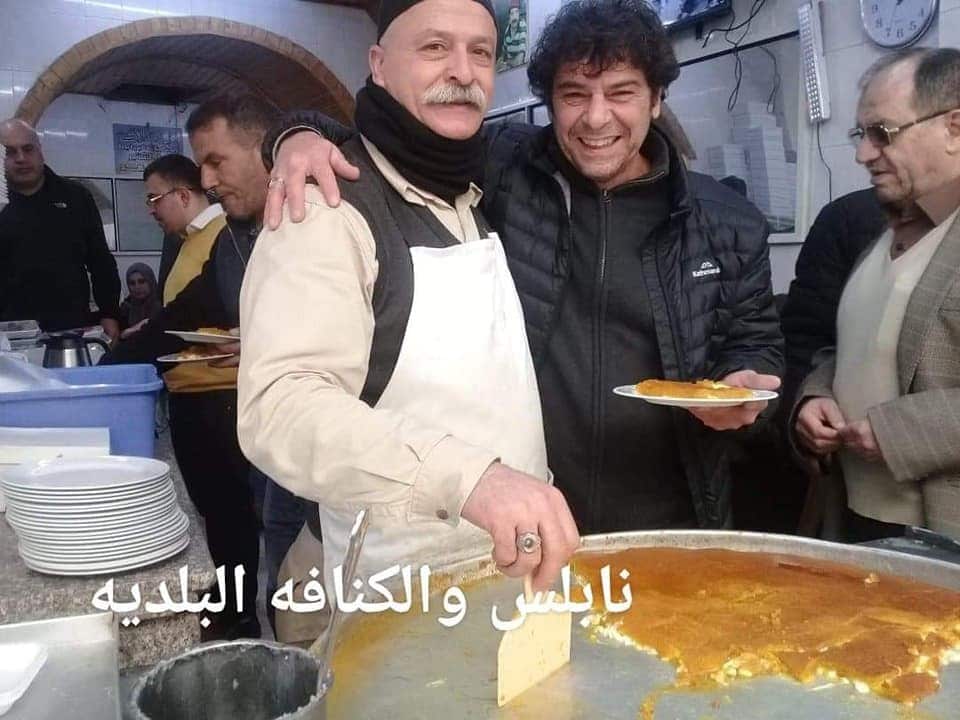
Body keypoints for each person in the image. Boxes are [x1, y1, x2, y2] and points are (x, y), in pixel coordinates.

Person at [262, 0, 783, 534]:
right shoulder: (507, 171)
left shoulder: (727, 222)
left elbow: (756, 341)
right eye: (574, 95)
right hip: (522, 514)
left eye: (621, 93)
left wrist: (746, 386)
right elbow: (395, 133)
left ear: (656, 101)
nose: (596, 117)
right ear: (550, 105)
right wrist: (296, 137)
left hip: (673, 515)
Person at [237, 0, 581, 616]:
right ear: (378, 64)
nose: (463, 69)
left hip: (512, 573)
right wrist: (471, 477)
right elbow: (280, 405)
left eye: (480, 51)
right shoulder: (327, 208)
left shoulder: (472, 196)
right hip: (398, 594)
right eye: (433, 48)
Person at [104, 96, 278, 639]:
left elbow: (218, 312)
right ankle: (234, 610)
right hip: (196, 394)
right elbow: (184, 313)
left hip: (222, 397)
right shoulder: (194, 243)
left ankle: (240, 617)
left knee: (239, 516)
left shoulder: (227, 234)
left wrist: (135, 344)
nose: (209, 180)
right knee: (224, 516)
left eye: (216, 164)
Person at [794, 48, 960, 543]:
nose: (863, 154)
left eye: (882, 133)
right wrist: (815, 395)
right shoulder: (884, 232)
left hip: (942, 535)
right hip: (853, 515)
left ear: (954, 127)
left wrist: (898, 431)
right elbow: (858, 347)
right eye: (859, 134)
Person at [0, 118, 120, 338]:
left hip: (71, 328)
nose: (21, 158)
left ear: (40, 152)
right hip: (10, 334)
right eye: (10, 152)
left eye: (28, 149)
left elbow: (100, 260)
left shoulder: (76, 197)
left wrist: (109, 313)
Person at [119, 262, 161, 335]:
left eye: (142, 281)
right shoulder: (126, 307)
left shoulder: (163, 305)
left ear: (150, 281)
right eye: (132, 283)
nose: (137, 287)